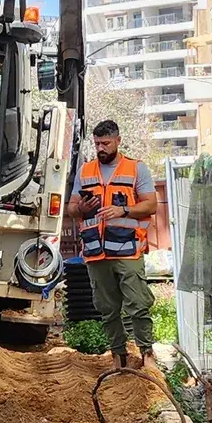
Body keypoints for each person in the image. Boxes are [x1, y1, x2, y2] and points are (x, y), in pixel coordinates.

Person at [66, 119, 159, 372]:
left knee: (138, 304)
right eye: (97, 144)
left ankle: (147, 353)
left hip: (128, 250)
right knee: (108, 310)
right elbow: (72, 208)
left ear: (118, 141)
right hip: (96, 252)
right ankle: (118, 356)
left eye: (106, 143)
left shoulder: (136, 169)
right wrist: (81, 209)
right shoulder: (85, 172)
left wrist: (123, 209)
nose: (101, 148)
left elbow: (150, 205)